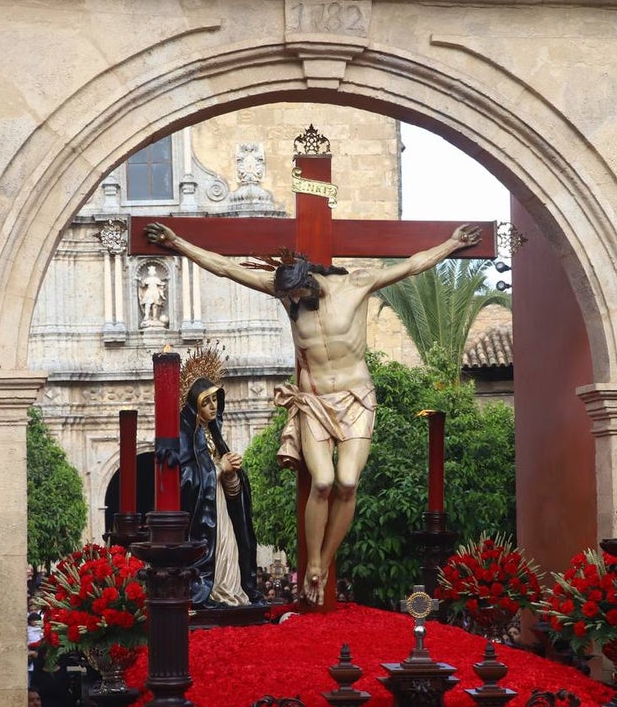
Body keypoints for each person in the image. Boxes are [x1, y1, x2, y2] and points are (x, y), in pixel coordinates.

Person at [145, 221, 482, 604]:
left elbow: (412, 265)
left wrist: (451, 243)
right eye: (286, 299)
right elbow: (226, 267)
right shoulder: (284, 292)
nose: (291, 305)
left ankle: (323, 560)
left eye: (296, 297)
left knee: (348, 482)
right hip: (314, 401)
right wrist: (178, 243)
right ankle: (315, 567)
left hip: (356, 397)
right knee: (322, 482)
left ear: (310, 283)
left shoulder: (356, 284)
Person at [179, 376, 265, 607]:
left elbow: (232, 490)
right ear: (194, 406)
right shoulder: (186, 436)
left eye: (215, 400)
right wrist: (218, 469)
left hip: (220, 506)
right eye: (206, 402)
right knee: (218, 547)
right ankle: (214, 591)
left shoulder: (213, 434)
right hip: (204, 512)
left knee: (230, 546)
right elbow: (185, 478)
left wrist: (232, 474)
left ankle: (229, 590)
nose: (213, 406)